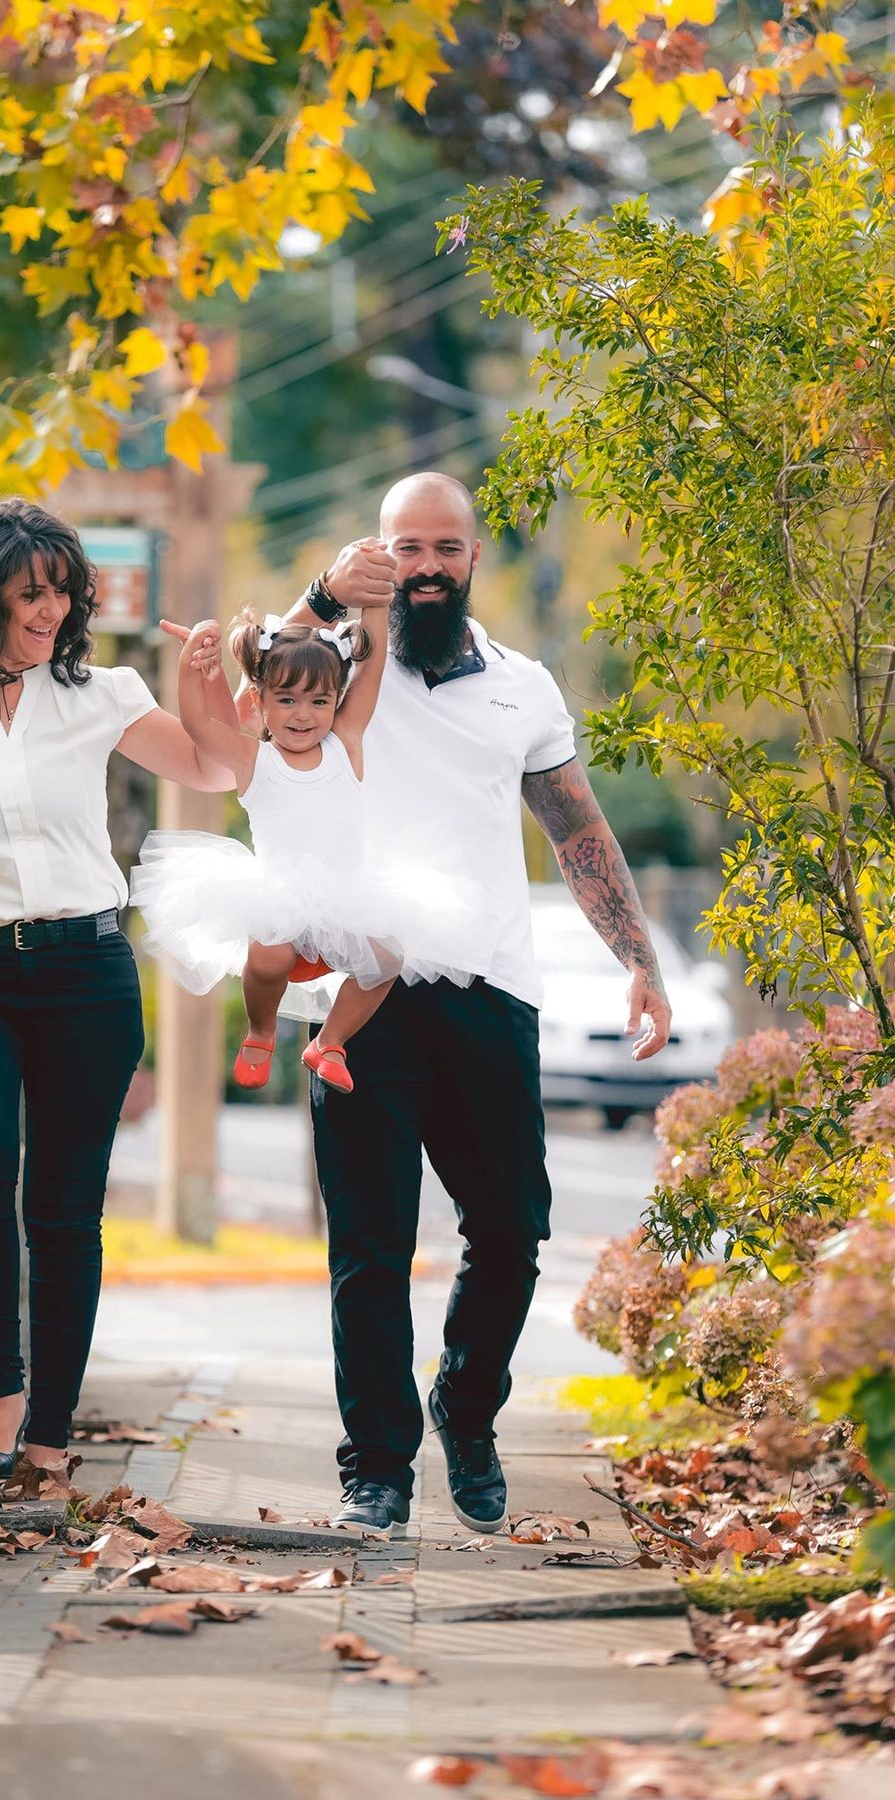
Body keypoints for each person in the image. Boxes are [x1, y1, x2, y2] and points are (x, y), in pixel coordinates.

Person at [267, 471, 673, 1537]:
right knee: (368, 1245)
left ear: (474, 557)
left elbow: (577, 830)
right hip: (364, 999)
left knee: (513, 1231)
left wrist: (640, 958)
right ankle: (379, 1470)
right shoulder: (337, 664)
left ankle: (467, 1406)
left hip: (491, 990)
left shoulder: (525, 687)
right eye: (408, 548)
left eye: (446, 548)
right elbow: (253, 681)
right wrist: (319, 593)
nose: (428, 568)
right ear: (382, 556)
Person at [0, 498, 234, 1481]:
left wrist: (207, 682)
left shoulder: (103, 693)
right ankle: (1, 1398)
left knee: (65, 1206)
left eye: (64, 592)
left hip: (85, 974)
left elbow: (215, 761)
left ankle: (49, 1433)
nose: (51, 610)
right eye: (32, 592)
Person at [130, 605, 490, 1094]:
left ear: (337, 701)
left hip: (347, 896)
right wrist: (191, 663)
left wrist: (377, 605)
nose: (304, 714)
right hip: (279, 896)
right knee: (270, 957)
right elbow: (197, 726)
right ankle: (260, 1031)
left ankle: (330, 1042)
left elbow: (374, 665)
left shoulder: (346, 742)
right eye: (287, 699)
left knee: (388, 956)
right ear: (259, 701)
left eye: (319, 702)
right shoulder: (252, 758)